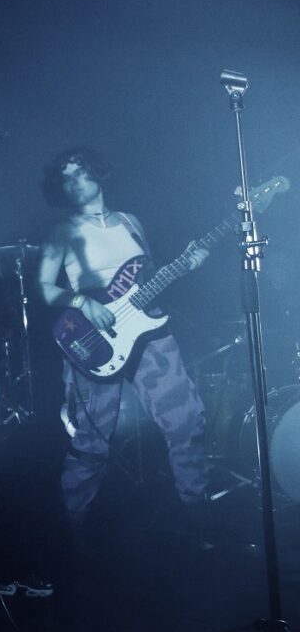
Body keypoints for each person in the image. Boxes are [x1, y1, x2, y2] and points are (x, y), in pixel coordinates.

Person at [37, 147, 210, 537]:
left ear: (98, 174)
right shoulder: (62, 231)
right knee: (92, 441)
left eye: (80, 173)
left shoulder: (131, 222)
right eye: (65, 178)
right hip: (91, 339)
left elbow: (146, 277)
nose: (72, 182)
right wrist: (81, 301)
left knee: (186, 423)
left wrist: (185, 264)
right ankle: (69, 531)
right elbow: (43, 288)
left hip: (147, 331)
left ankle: (198, 516)